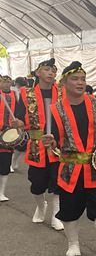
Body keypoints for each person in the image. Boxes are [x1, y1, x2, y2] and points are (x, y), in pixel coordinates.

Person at [42, 62, 96, 256]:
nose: (80, 83)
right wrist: (50, 141)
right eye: (75, 79)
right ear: (64, 83)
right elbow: (52, 141)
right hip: (70, 168)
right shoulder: (55, 110)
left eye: (83, 79)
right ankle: (73, 244)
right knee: (70, 208)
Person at [17, 58, 63, 230]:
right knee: (37, 185)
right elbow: (20, 117)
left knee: (56, 183)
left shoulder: (61, 93)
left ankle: (56, 215)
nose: (51, 73)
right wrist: (19, 123)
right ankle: (40, 205)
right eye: (46, 69)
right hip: (36, 145)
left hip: (57, 144)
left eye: (53, 70)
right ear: (37, 73)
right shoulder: (26, 94)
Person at [0, 75, 24, 200]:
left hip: (8, 132)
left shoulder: (16, 95)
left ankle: (1, 192)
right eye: (4, 82)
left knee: (5, 162)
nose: (6, 84)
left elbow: (19, 113)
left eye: (9, 82)